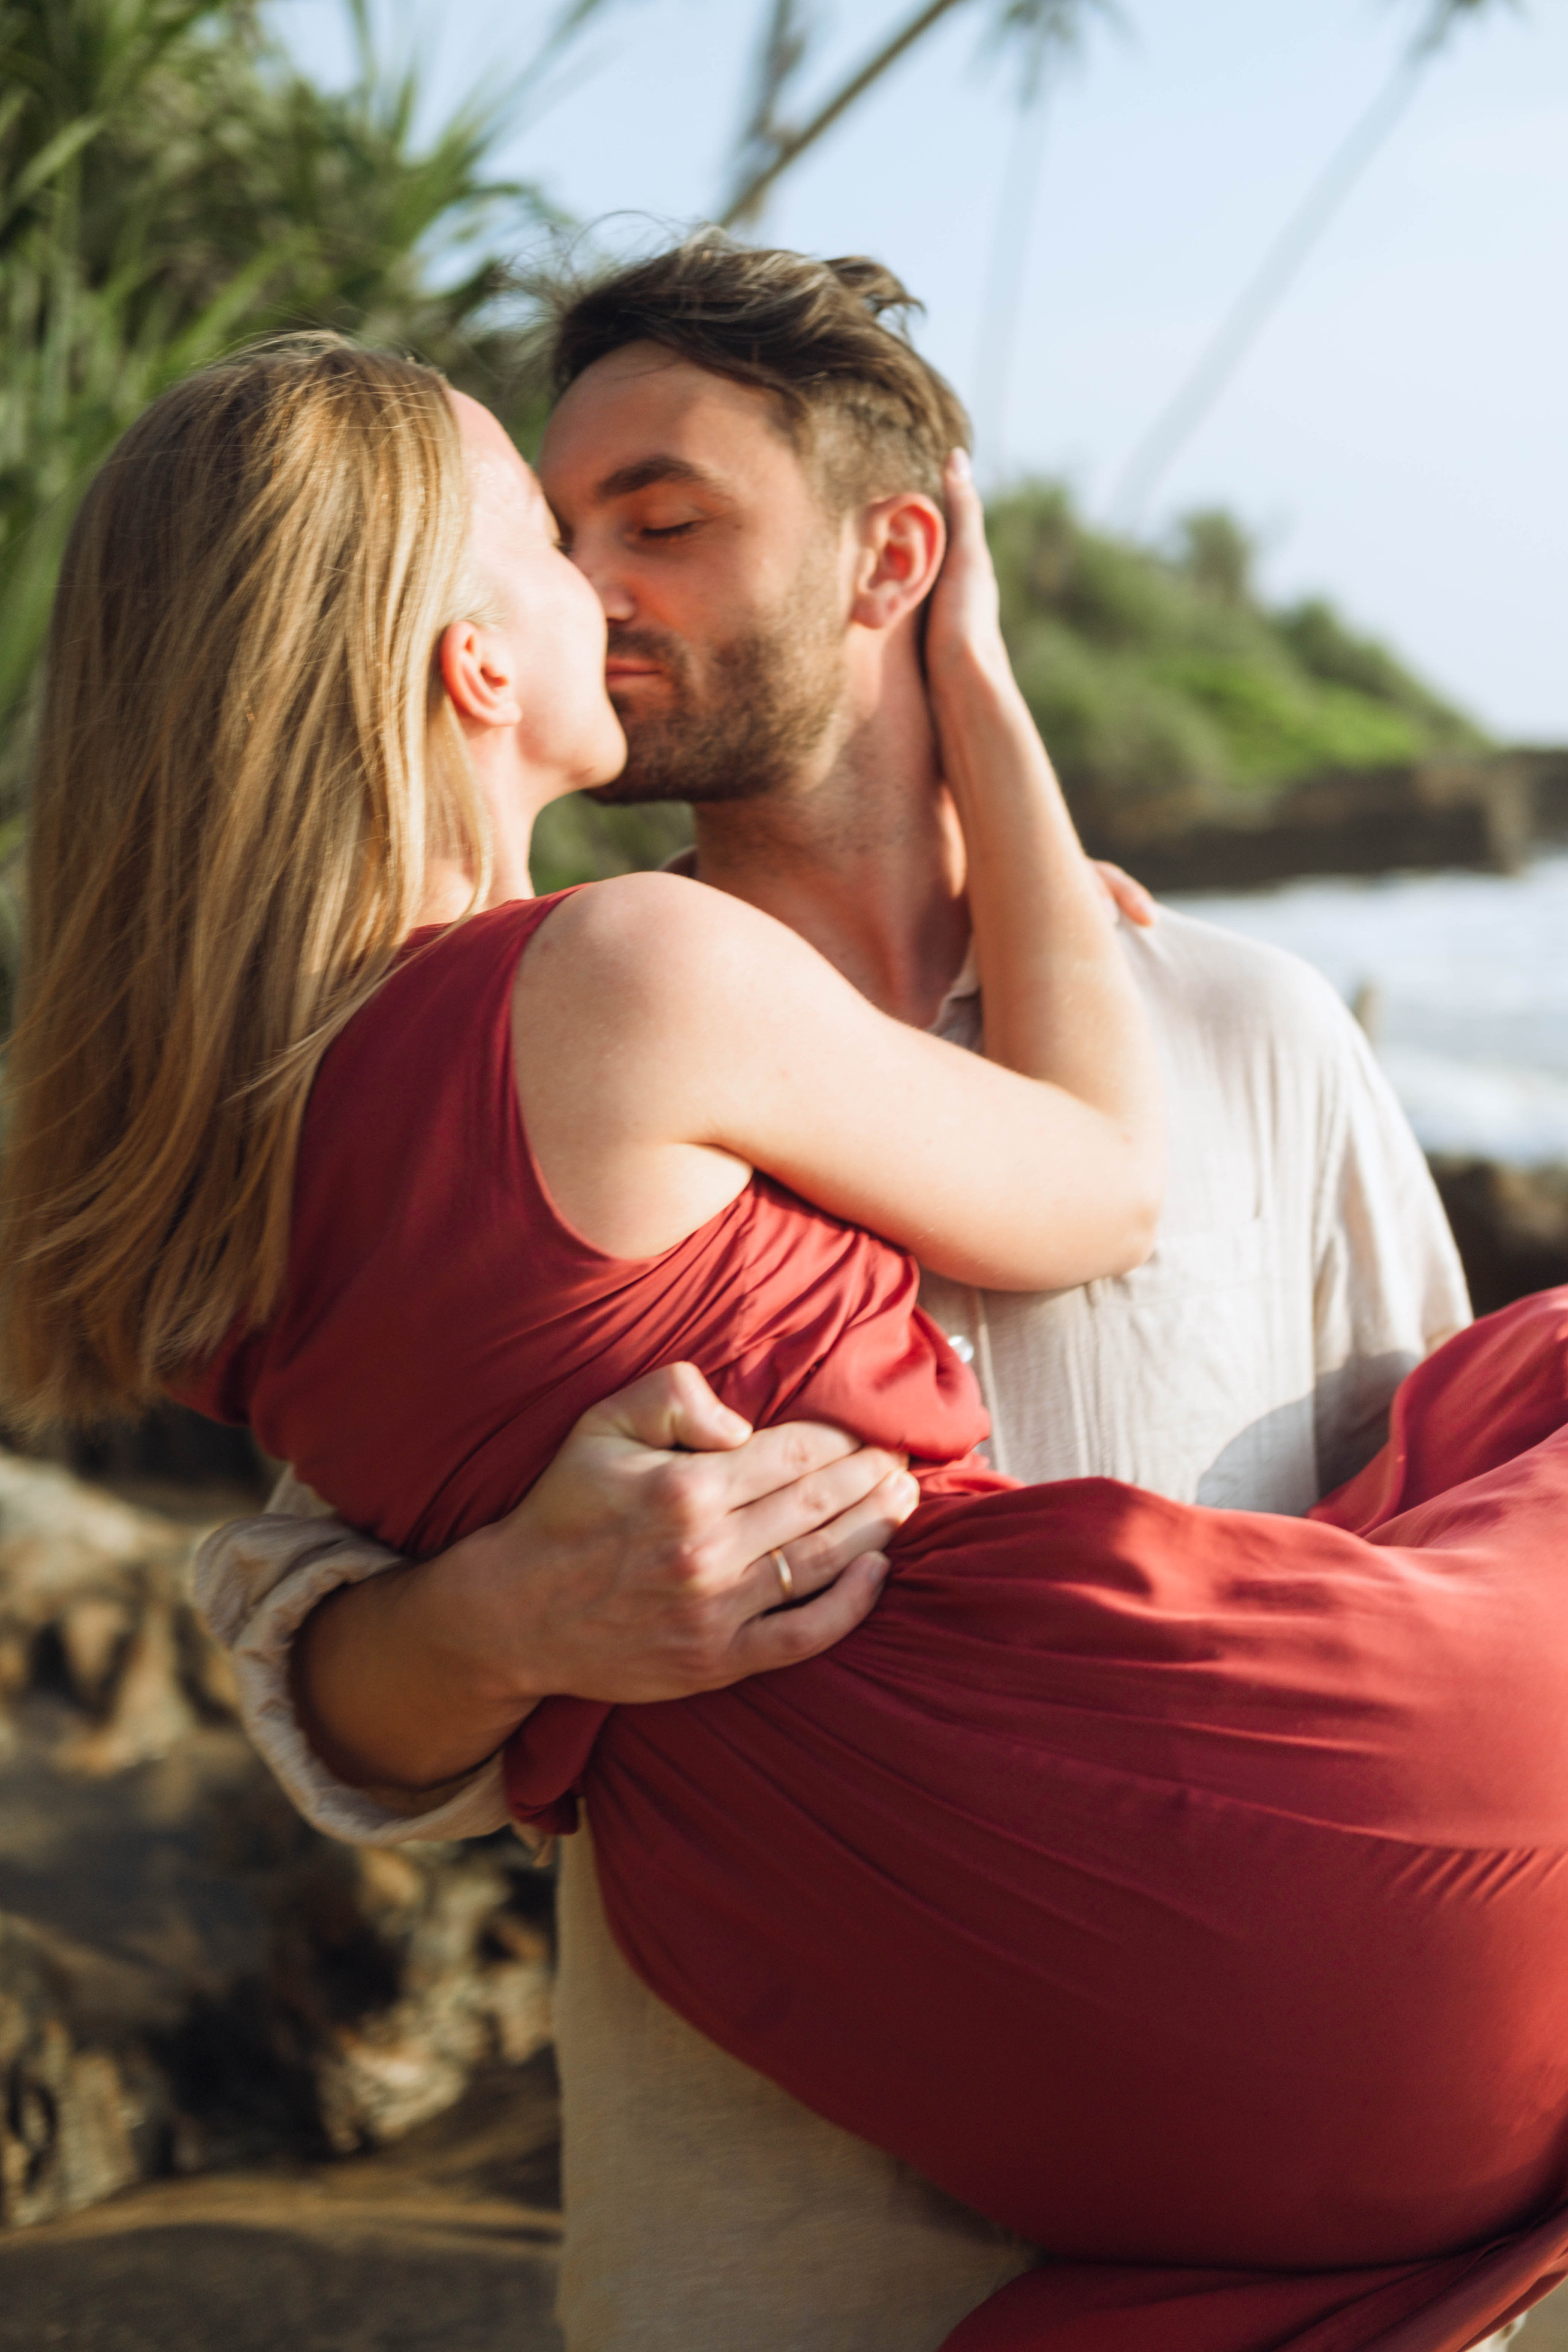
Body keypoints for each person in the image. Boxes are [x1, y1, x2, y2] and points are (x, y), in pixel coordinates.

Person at [5, 328, 1566, 2352]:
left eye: (659, 521)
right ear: (476, 667)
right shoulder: (617, 982)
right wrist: (509, 1618)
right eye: (554, 536)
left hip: (1104, 1994)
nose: (600, 584)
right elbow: (327, 1673)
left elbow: (1420, 1482)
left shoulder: (266, 1150)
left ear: (891, 559)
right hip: (831, 2186)